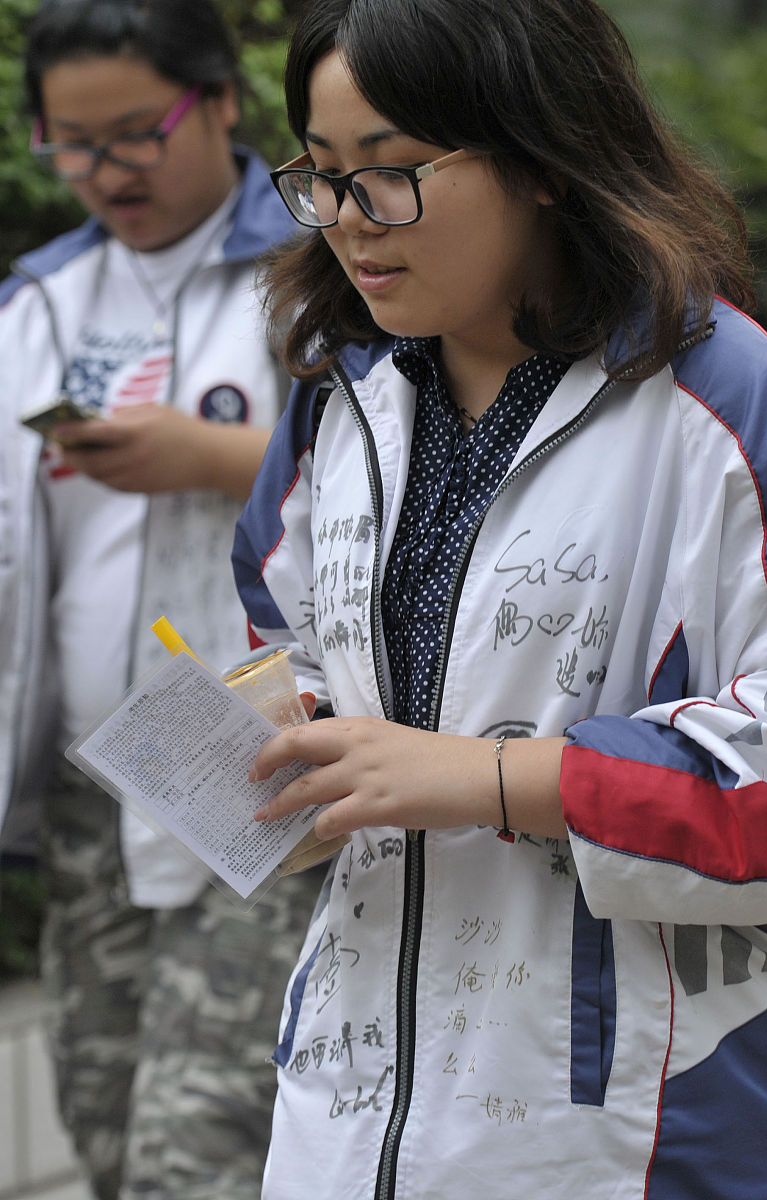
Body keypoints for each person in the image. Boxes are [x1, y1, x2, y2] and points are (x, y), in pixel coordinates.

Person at [231, 0, 767, 1196]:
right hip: (344, 1118)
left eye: (390, 173)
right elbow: (282, 643)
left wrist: (488, 778)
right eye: (321, 176)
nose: (348, 219)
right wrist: (280, 752)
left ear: (542, 157)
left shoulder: (731, 406)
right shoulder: (338, 407)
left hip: (625, 1130)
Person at [0, 2, 325, 1198]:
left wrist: (218, 458)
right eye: (73, 144)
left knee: (199, 1153)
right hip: (95, 780)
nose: (106, 171)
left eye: (137, 132)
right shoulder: (40, 302)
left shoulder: (319, 268)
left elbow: (404, 473)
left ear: (221, 101)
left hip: (258, 763)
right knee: (99, 1121)